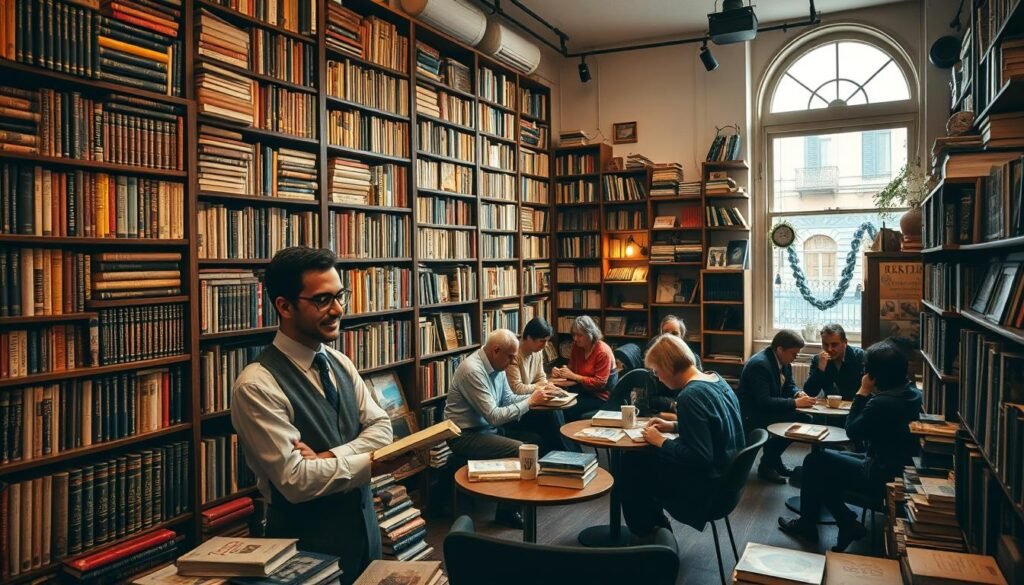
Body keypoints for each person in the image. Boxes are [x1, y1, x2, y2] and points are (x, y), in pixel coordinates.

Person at [231, 247, 413, 585]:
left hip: (366, 538)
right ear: (284, 306)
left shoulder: (339, 361)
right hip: (306, 553)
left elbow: (382, 428)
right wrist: (368, 464)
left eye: (339, 296)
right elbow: (296, 481)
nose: (338, 309)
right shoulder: (256, 385)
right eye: (322, 300)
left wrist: (328, 457)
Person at [778, 340, 922, 552]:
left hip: (881, 474)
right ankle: (846, 522)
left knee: (814, 462)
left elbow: (852, 430)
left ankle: (810, 525)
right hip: (900, 467)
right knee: (826, 461)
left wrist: (863, 391)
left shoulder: (881, 402)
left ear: (874, 374)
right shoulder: (912, 392)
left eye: (867, 369)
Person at [619, 334, 746, 541]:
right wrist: (675, 425)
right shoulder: (716, 379)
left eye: (657, 371)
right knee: (642, 463)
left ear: (668, 367)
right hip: (728, 481)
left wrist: (661, 441)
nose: (657, 377)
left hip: (707, 489)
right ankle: (656, 528)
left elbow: (700, 457)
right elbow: (715, 426)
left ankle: (650, 536)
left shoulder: (690, 396)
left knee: (632, 464)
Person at [444, 328, 558, 527]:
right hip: (465, 435)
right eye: (511, 357)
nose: (514, 362)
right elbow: (495, 416)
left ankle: (516, 499)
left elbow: (508, 399)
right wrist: (530, 401)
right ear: (496, 350)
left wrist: (540, 394)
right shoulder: (472, 370)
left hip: (486, 430)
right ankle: (506, 512)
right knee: (519, 450)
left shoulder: (498, 366)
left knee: (535, 440)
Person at [736, 329, 816, 484]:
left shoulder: (783, 362)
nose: (795, 357)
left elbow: (789, 386)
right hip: (751, 414)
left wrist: (797, 394)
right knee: (802, 420)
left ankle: (772, 460)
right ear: (780, 349)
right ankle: (767, 464)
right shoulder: (760, 365)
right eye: (794, 353)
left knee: (804, 418)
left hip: (765, 410)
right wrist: (794, 403)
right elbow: (763, 402)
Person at [505, 317, 575, 452]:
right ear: (528, 337)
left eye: (546, 341)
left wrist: (545, 386)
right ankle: (567, 453)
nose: (544, 346)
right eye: (541, 341)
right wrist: (542, 387)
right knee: (552, 416)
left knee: (556, 411)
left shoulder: (536, 352)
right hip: (518, 408)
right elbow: (516, 388)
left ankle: (566, 452)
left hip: (532, 400)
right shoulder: (514, 355)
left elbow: (541, 377)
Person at [553, 315, 617, 421]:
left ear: (590, 334)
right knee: (555, 402)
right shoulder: (576, 346)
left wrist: (574, 376)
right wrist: (561, 372)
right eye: (574, 335)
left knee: (568, 409)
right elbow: (572, 369)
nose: (575, 338)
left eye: (579, 335)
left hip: (599, 396)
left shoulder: (602, 352)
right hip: (582, 389)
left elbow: (600, 383)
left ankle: (565, 435)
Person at [803, 323, 865, 401]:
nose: (829, 349)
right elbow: (810, 392)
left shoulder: (859, 356)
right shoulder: (818, 359)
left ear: (845, 342)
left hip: (854, 405)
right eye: (825, 344)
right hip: (829, 407)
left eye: (834, 344)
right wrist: (820, 370)